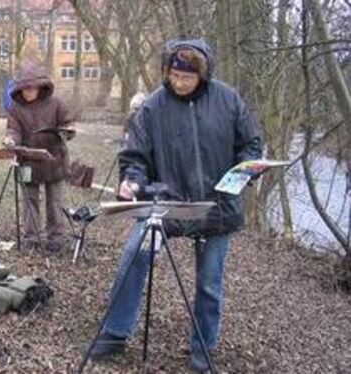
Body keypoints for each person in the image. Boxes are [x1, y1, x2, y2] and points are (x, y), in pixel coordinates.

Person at [89, 39, 262, 372]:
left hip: (217, 206)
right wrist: (133, 181)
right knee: (133, 257)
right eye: (173, 75)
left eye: (187, 77)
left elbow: (251, 144)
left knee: (210, 281)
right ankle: (115, 332)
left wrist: (247, 170)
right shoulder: (153, 106)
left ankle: (204, 345)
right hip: (165, 205)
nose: (179, 83)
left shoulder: (227, 99)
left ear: (203, 74)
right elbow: (135, 156)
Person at [3, 61, 76, 253]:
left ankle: (55, 239)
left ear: (40, 86)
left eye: (31, 88)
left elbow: (67, 124)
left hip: (54, 159)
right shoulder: (16, 108)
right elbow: (13, 129)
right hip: (27, 160)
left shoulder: (56, 103)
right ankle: (31, 239)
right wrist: (10, 140)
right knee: (29, 201)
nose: (27, 92)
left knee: (54, 201)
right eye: (24, 89)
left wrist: (67, 132)